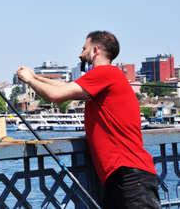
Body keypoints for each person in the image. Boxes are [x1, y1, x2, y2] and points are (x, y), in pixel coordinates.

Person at [16, 30, 161, 209]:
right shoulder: (105, 78)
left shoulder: (105, 73)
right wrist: (36, 77)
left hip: (130, 176)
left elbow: (56, 95)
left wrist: (29, 79)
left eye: (84, 48)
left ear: (96, 51)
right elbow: (67, 87)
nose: (80, 54)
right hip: (123, 176)